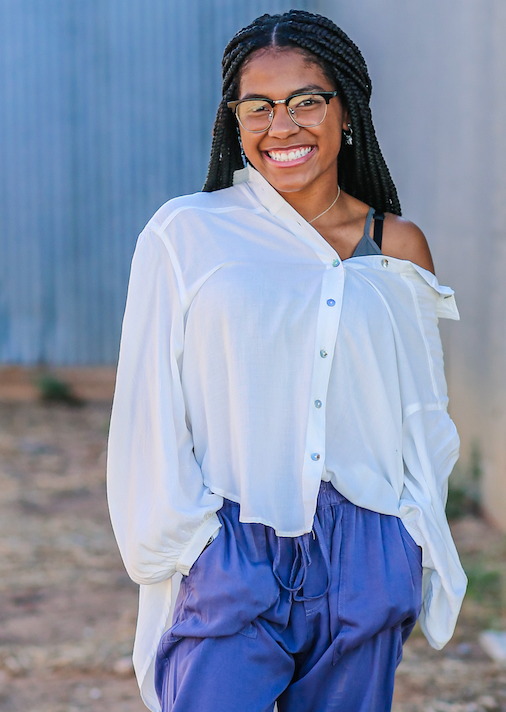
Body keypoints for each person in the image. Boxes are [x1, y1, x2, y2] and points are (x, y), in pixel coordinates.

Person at [107, 10, 467, 712]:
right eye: (259, 106)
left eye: (307, 101)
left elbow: (422, 414)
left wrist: (409, 546)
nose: (284, 126)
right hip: (230, 544)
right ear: (233, 119)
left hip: (367, 548)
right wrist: (192, 549)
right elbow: (150, 407)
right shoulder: (187, 234)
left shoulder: (396, 247)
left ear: (348, 110)